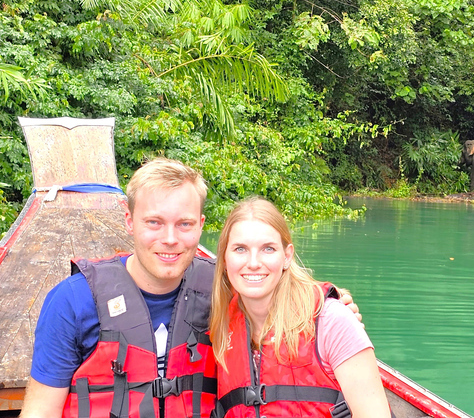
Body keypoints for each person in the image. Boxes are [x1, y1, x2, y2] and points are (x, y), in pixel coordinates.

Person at [20, 158, 359, 418]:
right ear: (129, 220)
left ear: (200, 225)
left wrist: (334, 307)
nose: (170, 239)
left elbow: (281, 290)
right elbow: (40, 411)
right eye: (154, 222)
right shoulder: (73, 302)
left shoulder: (227, 287)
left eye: (184, 224)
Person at [209, 197, 390, 418]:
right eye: (240, 249)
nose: (254, 262)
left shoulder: (331, 320)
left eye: (268, 248)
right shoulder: (222, 326)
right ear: (225, 259)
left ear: (286, 256)